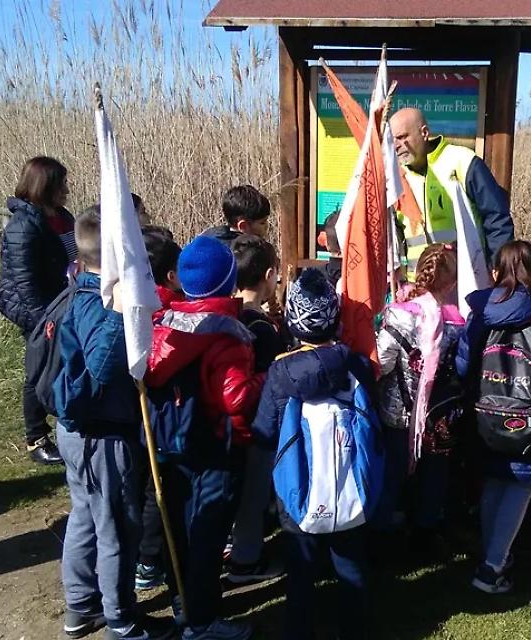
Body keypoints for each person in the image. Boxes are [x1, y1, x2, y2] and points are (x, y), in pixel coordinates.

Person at [52, 209, 169, 640]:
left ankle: (81, 607)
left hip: (77, 430)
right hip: (101, 434)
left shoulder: (79, 290)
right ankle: (121, 619)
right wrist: (122, 316)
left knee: (85, 515)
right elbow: (100, 369)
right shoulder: (102, 303)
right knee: (115, 526)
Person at [145, 235, 265, 640]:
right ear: (228, 282)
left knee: (177, 525)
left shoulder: (165, 321)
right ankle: (203, 620)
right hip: (215, 444)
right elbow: (235, 398)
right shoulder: (225, 332)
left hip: (173, 443)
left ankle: (183, 600)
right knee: (209, 531)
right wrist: (266, 378)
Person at [252, 268, 377, 640]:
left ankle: (298, 629)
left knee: (301, 568)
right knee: (351, 563)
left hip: (296, 488)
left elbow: (264, 430)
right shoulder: (355, 364)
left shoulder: (279, 372)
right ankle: (355, 628)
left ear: (293, 318)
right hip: (351, 483)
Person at [456, 240, 531, 595]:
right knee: (520, 486)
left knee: (495, 481)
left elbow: (464, 365)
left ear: (495, 272)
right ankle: (492, 567)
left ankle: (493, 555)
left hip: (485, 415)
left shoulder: (479, 315)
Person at [375, 244, 464, 553]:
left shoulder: (400, 315)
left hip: (399, 411)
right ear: (452, 283)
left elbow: (381, 363)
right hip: (439, 414)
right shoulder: (458, 322)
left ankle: (384, 531)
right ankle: (425, 528)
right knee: (435, 474)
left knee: (393, 472)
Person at [0, 156, 77, 465]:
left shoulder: (62, 216)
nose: (67, 189)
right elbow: (23, 282)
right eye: (62, 184)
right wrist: (43, 320)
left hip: (61, 302)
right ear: (46, 185)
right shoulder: (24, 226)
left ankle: (64, 423)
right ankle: (35, 437)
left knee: (59, 365)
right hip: (37, 306)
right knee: (38, 367)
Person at [225, 234, 288, 584]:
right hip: (258, 426)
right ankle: (245, 562)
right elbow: (273, 377)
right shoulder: (260, 329)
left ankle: (234, 543)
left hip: (229, 425)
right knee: (253, 493)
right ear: (267, 276)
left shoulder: (227, 316)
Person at [388, 107, 514, 277]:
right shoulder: (396, 179)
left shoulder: (462, 161)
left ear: (424, 133)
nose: (396, 145)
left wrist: (498, 266)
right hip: (418, 288)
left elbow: (496, 217)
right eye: (392, 140)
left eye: (402, 137)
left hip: (466, 282)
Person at [134, 227, 183, 592]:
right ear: (169, 275)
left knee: (152, 488)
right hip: (160, 419)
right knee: (157, 490)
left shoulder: (148, 304)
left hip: (150, 417)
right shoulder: (162, 313)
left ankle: (149, 557)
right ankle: (150, 560)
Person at [201, 185, 271, 248]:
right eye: (262, 222)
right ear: (243, 226)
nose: (267, 226)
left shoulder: (207, 238)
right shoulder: (246, 253)